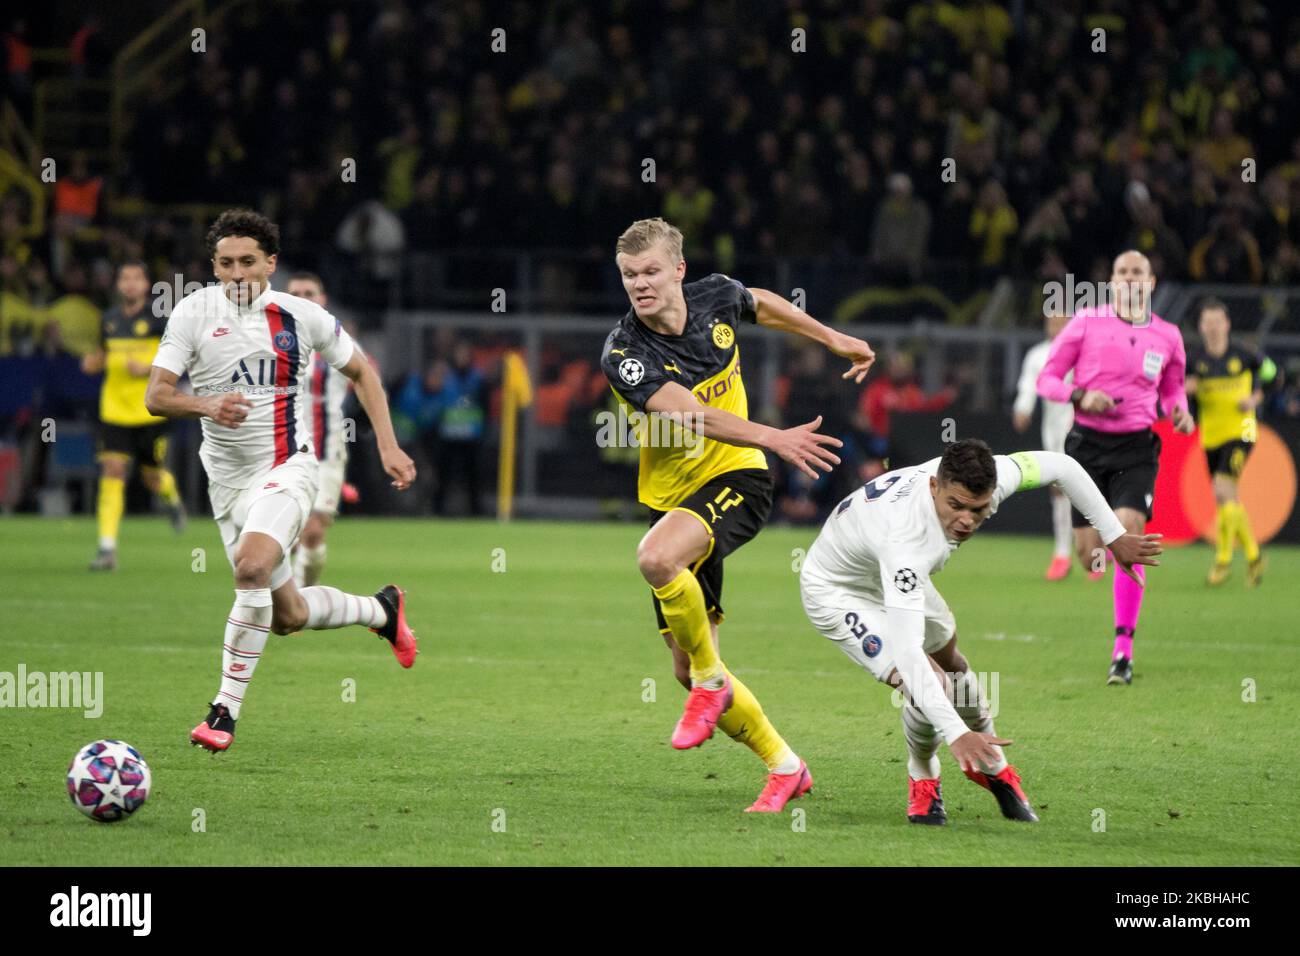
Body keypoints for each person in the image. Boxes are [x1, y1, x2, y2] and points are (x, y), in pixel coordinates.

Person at [600, 217, 875, 812]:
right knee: (685, 665)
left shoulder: (716, 295)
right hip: (672, 498)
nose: (640, 285)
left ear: (678, 269)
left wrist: (833, 338)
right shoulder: (624, 353)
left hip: (738, 478)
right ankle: (785, 765)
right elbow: (689, 413)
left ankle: (712, 683)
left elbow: (764, 305)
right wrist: (776, 435)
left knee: (655, 556)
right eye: (628, 276)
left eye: (650, 271)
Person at [145, 209, 418, 753]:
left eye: (249, 262)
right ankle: (381, 610)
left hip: (287, 468)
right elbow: (156, 396)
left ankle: (223, 712)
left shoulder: (301, 316)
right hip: (225, 484)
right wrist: (205, 402)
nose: (238, 274)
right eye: (226, 264)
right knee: (287, 615)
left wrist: (387, 444)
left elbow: (362, 370)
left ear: (271, 262)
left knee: (250, 567)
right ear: (214, 267)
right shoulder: (192, 314)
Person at [800, 439, 1162, 825]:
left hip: (889, 573)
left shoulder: (995, 477)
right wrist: (956, 732)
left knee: (952, 664)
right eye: (955, 506)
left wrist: (1113, 535)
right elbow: (907, 652)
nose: (966, 521)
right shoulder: (906, 540)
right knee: (927, 680)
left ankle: (994, 766)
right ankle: (923, 775)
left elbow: (1063, 467)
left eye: (978, 509)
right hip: (839, 591)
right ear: (934, 487)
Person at [1036, 250, 1194, 686]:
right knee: (1091, 559)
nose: (1129, 278)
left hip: (1136, 449)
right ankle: (1094, 560)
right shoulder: (1086, 322)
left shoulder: (1168, 335)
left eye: (1137, 272)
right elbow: (1047, 379)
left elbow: (1173, 387)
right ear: (1112, 280)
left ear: (1151, 282)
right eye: (1122, 271)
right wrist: (1081, 396)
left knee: (1128, 537)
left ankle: (1122, 650)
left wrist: (1179, 410)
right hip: (1086, 448)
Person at [81, 261, 186, 570]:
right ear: (117, 284)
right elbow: (102, 355)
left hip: (149, 410)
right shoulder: (108, 319)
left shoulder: (160, 318)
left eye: (135, 278)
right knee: (112, 470)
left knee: (152, 477)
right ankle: (107, 547)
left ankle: (171, 498)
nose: (129, 284)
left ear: (146, 284)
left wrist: (149, 369)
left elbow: (180, 359)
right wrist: (94, 363)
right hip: (113, 409)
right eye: (124, 278)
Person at [1185, 298, 1275, 587]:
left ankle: (1223, 561)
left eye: (1217, 322)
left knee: (1223, 489)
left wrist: (1255, 398)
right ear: (1200, 326)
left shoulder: (1244, 354)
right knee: (1226, 497)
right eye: (1207, 322)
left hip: (1242, 430)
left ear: (1227, 324)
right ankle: (1253, 555)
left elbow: (1275, 375)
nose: (1212, 328)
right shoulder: (1194, 360)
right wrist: (1187, 391)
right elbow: (1176, 392)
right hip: (1211, 435)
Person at [285, 272, 358, 586]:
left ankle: (302, 596)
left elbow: (368, 380)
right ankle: (283, 599)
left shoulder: (339, 342)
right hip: (279, 452)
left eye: (309, 293)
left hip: (327, 451)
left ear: (322, 299)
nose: (302, 299)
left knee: (312, 532)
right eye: (295, 293)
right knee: (280, 533)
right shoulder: (267, 341)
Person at [1011, 312, 1077, 580]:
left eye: (1063, 322)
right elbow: (1028, 387)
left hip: (1086, 429)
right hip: (1054, 432)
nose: (1057, 327)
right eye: (1053, 322)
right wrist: (1022, 409)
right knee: (1059, 491)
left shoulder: (1083, 351)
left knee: (1092, 486)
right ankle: (1062, 554)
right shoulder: (1038, 355)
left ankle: (1096, 546)